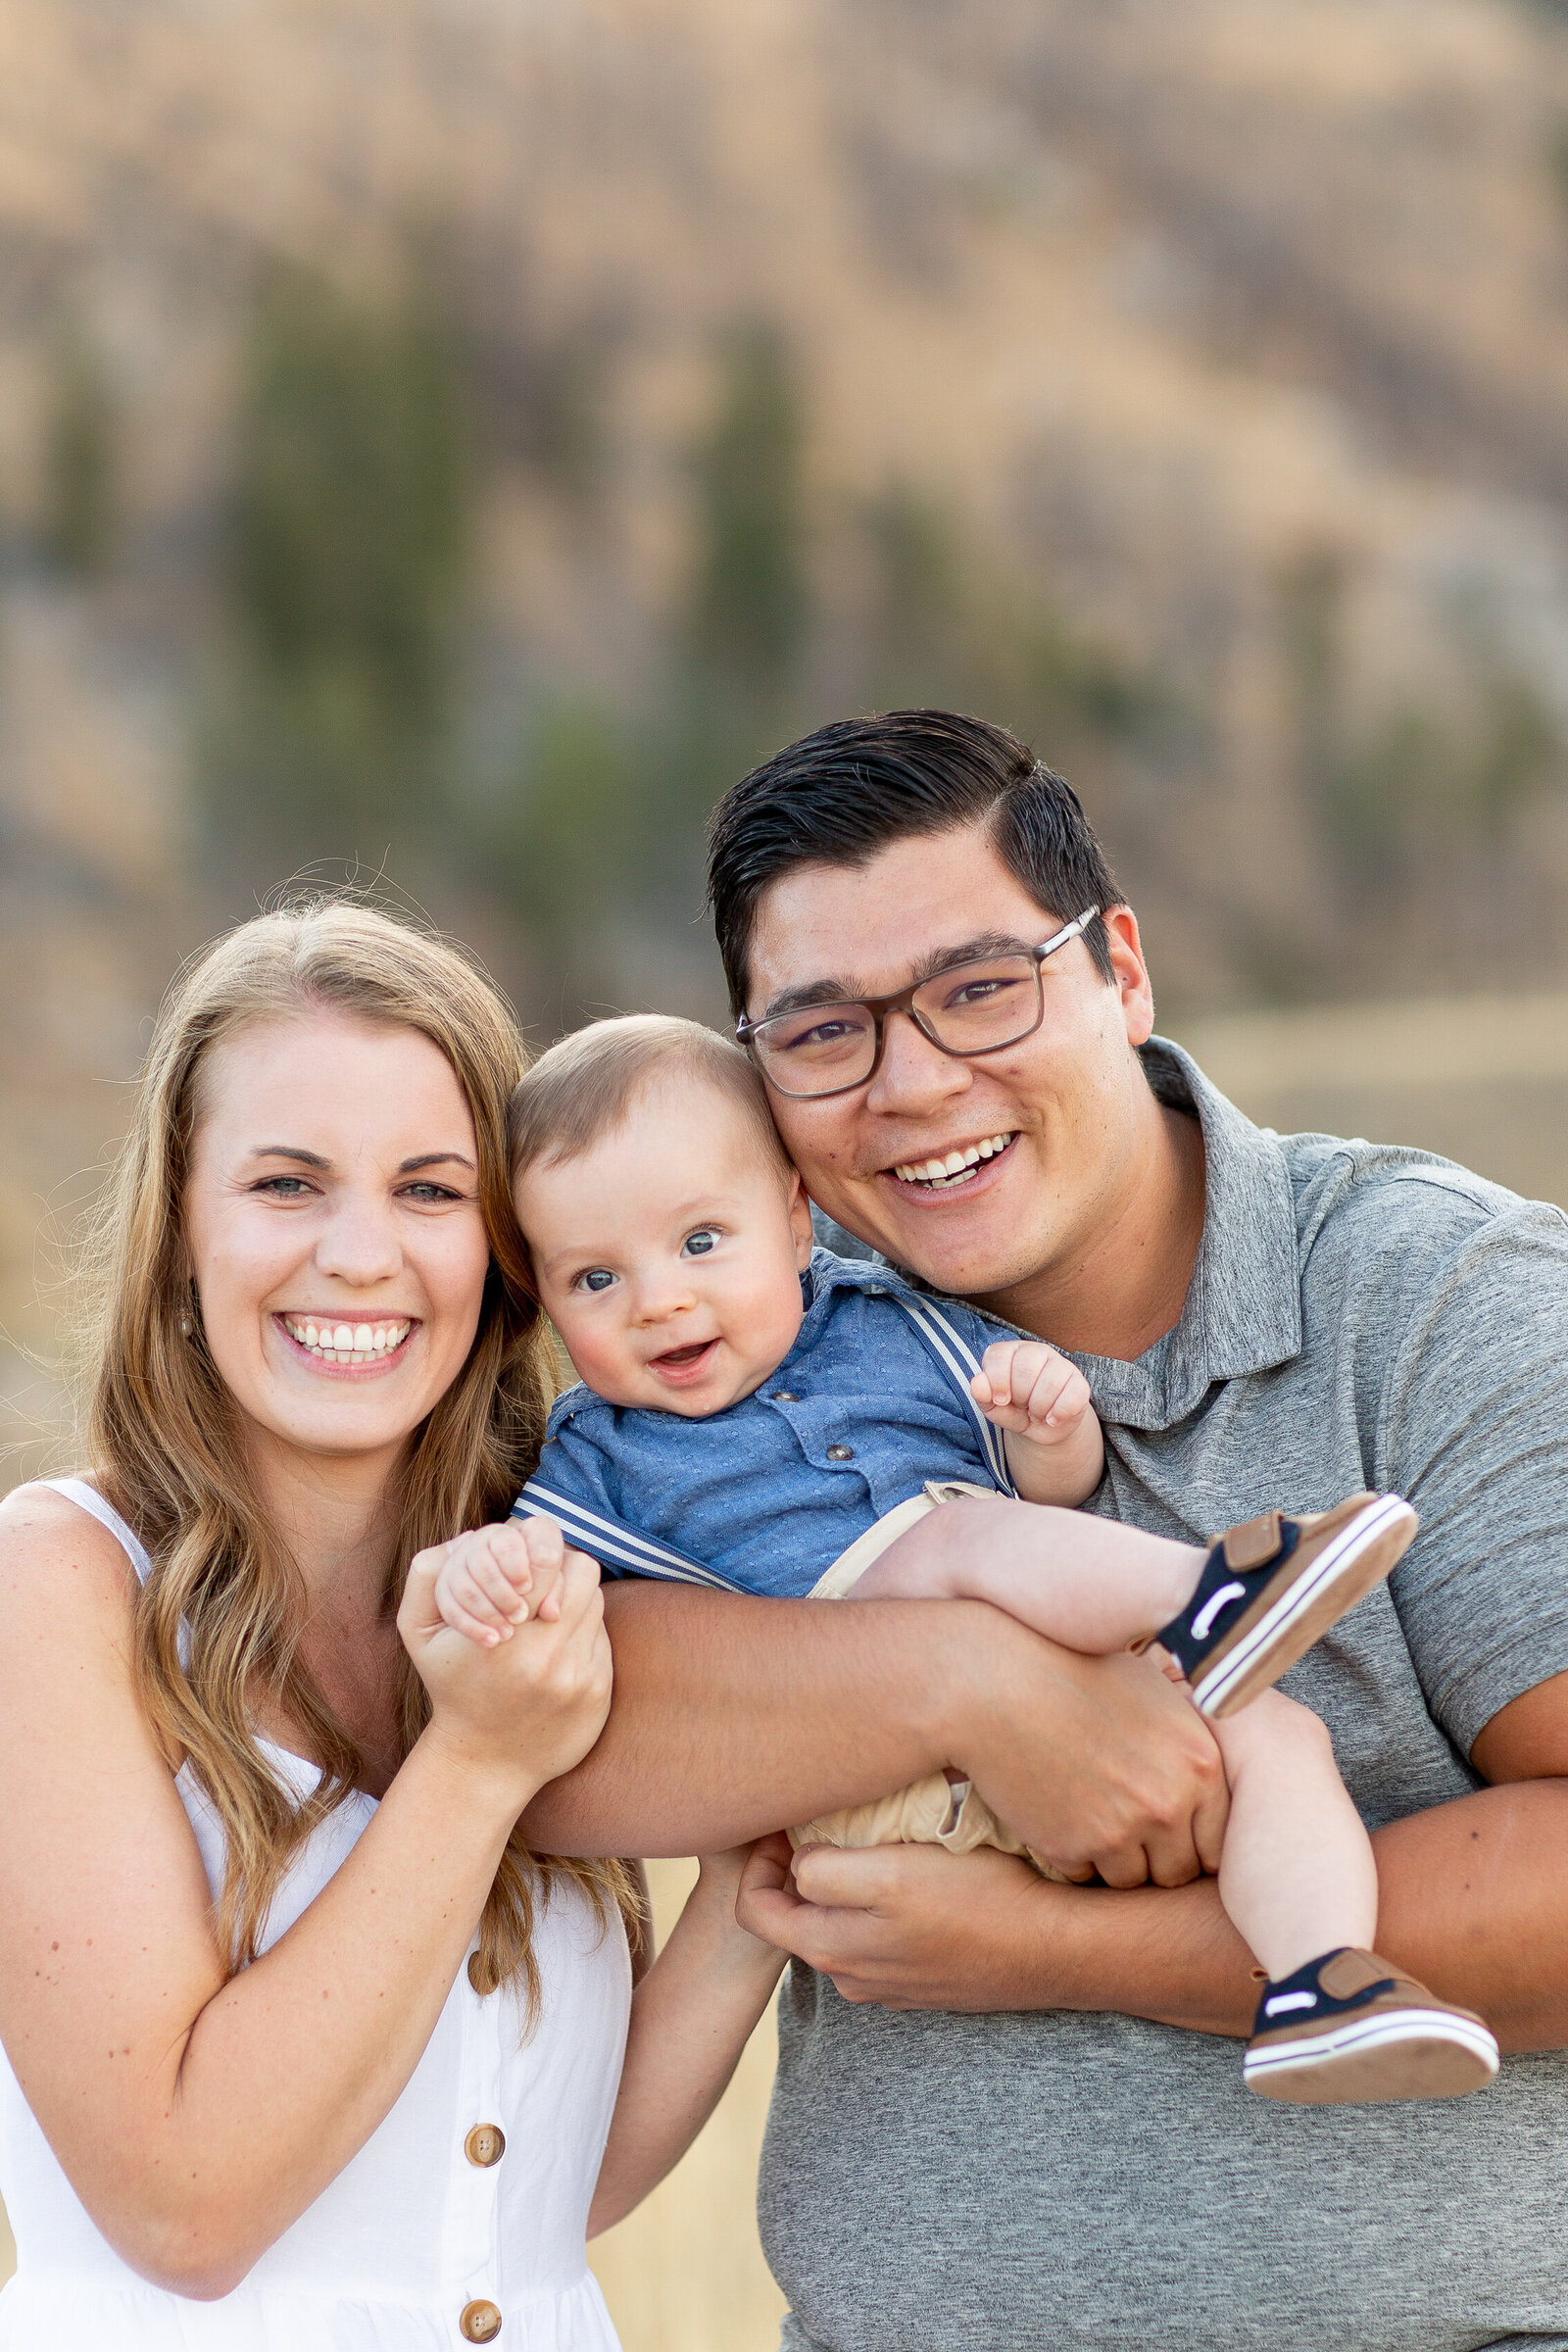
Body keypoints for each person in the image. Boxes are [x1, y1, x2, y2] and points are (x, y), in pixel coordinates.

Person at [521, 712, 1568, 2352]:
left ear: (1121, 975)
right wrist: (974, 1694)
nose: (915, 1081)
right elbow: (560, 1728)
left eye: (979, 987)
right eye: (822, 1033)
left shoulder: (1441, 1301)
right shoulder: (732, 1335)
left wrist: (1062, 1948)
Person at [446, 1009, 1493, 2103]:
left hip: (1057, 1704)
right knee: (958, 1535)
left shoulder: (894, 1324)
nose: (659, 1299)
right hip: (862, 1766)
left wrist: (1049, 1429)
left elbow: (1049, 1491)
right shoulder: (599, 1452)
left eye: (701, 1242)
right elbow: (554, 1614)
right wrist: (496, 1573)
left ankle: (1319, 1983)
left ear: (795, 1224)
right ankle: (1212, 1597)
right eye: (594, 1282)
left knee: (1277, 1729)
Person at [0, 901, 784, 2351]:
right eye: (289, 1185)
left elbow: (538, 2186)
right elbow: (185, 2209)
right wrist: (479, 1767)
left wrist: (752, 1885)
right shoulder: (59, 1585)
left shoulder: (551, 1577)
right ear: (182, 1224)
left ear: (507, 1251)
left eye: (429, 1191)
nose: (361, 1256)